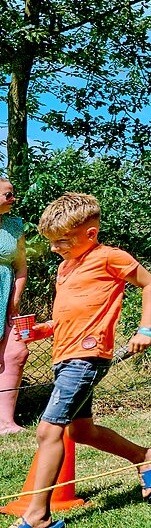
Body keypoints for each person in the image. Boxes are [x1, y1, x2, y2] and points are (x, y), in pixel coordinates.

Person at [2, 193, 151, 528]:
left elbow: (150, 284)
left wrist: (145, 328)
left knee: (49, 430)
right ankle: (146, 456)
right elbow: (72, 312)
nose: (57, 248)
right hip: (64, 354)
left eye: (63, 241)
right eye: (52, 242)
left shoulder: (109, 257)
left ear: (89, 235)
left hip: (86, 357)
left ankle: (38, 516)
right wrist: (44, 329)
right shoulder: (65, 267)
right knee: (80, 431)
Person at [0, 177, 29, 434]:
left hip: (6, 295)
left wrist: (15, 299)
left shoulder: (14, 225)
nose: (13, 199)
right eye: (7, 195)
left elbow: (20, 266)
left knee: (17, 352)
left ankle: (6, 422)